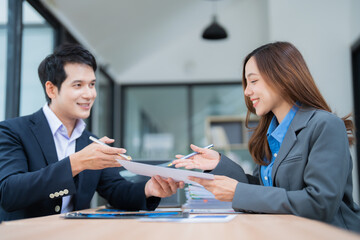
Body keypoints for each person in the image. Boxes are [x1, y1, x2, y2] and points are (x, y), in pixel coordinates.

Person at [172, 41, 360, 232]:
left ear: (282, 77)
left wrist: (238, 192)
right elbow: (263, 191)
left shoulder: (324, 125)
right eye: (247, 83)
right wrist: (219, 164)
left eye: (253, 81)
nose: (246, 91)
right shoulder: (268, 133)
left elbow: (319, 203)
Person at [0, 44, 184, 221]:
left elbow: (115, 190)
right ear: (51, 89)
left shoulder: (91, 141)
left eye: (92, 84)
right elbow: (9, 192)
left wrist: (149, 189)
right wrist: (76, 163)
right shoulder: (12, 131)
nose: (89, 94)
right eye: (78, 85)